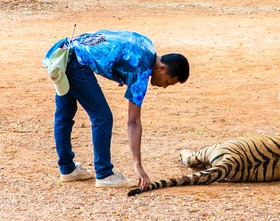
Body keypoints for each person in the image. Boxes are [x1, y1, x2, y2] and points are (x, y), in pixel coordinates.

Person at [43, 29, 189, 189]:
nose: (164, 86)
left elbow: (115, 40)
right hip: (76, 62)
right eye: (168, 81)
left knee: (64, 115)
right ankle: (104, 174)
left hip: (65, 49)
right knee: (103, 118)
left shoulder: (147, 44)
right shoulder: (141, 71)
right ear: (161, 68)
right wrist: (137, 165)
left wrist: (120, 74)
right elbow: (133, 122)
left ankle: (67, 169)